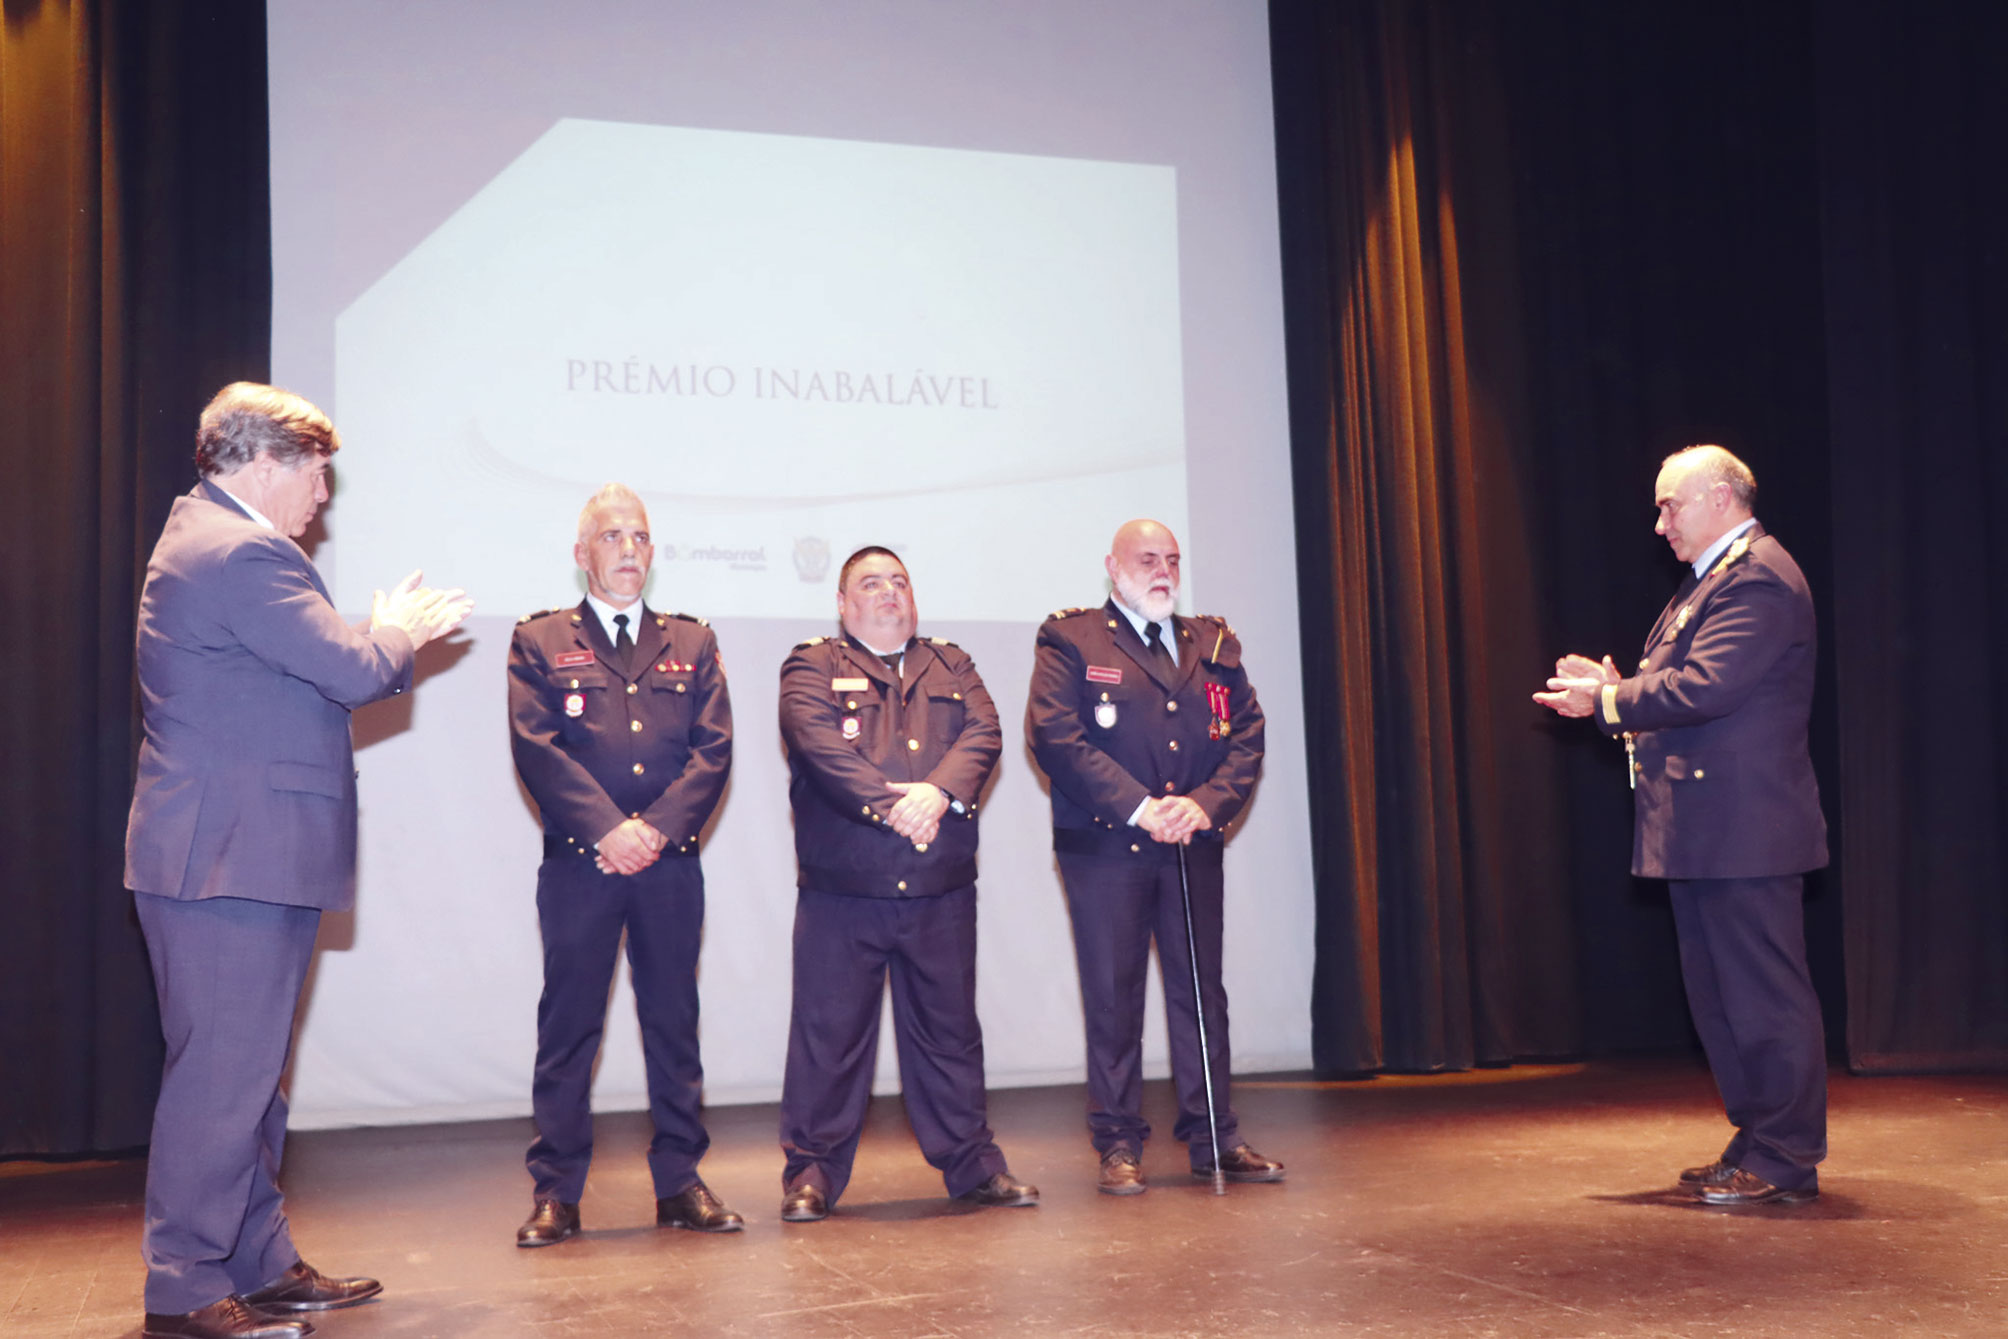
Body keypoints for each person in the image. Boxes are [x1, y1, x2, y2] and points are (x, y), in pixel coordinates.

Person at [125, 383, 471, 1339]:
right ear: (265, 460)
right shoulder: (239, 551)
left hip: (240, 854)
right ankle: (187, 1283)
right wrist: (397, 626)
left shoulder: (212, 542)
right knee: (223, 1079)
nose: (324, 491)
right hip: (228, 858)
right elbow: (356, 670)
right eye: (317, 471)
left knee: (249, 1077)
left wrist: (376, 632)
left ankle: (257, 1259)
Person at [1535, 444, 1829, 1206]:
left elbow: (1705, 686)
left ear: (1723, 498)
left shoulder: (1759, 576)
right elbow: (1673, 686)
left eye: (1672, 504)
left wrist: (1607, 700)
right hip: (1705, 830)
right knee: (1720, 999)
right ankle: (1757, 1135)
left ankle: (1788, 1149)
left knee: (1763, 995)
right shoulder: (1710, 582)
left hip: (1746, 831)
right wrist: (1616, 688)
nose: (1659, 522)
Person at [506, 484, 742, 1245]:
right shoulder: (539, 640)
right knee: (569, 1025)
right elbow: (536, 749)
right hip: (582, 864)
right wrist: (610, 830)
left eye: (639, 536)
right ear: (583, 554)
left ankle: (680, 1182)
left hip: (669, 866)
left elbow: (714, 751)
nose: (629, 549)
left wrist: (656, 831)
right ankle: (557, 1192)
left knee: (673, 1023)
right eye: (612, 537)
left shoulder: (692, 640)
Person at [774, 546, 1037, 1221]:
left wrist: (940, 792)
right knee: (828, 1039)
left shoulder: (952, 662)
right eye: (870, 582)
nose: (888, 592)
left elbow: (986, 730)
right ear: (842, 603)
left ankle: (973, 1164)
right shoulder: (812, 664)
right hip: (845, 891)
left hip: (939, 886)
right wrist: (896, 805)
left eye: (899, 580)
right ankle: (811, 1174)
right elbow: (816, 743)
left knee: (950, 1036)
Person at [1025, 519, 1282, 1195]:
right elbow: (1054, 735)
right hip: (1107, 845)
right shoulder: (1071, 638)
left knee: (1201, 992)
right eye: (1147, 559)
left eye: (1171, 559)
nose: (1162, 570)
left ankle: (1214, 1137)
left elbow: (1247, 732)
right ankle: (1117, 1141)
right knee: (1113, 996)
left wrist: (1204, 804)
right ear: (1114, 566)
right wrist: (1143, 805)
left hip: (1192, 841)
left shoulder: (1214, 642)